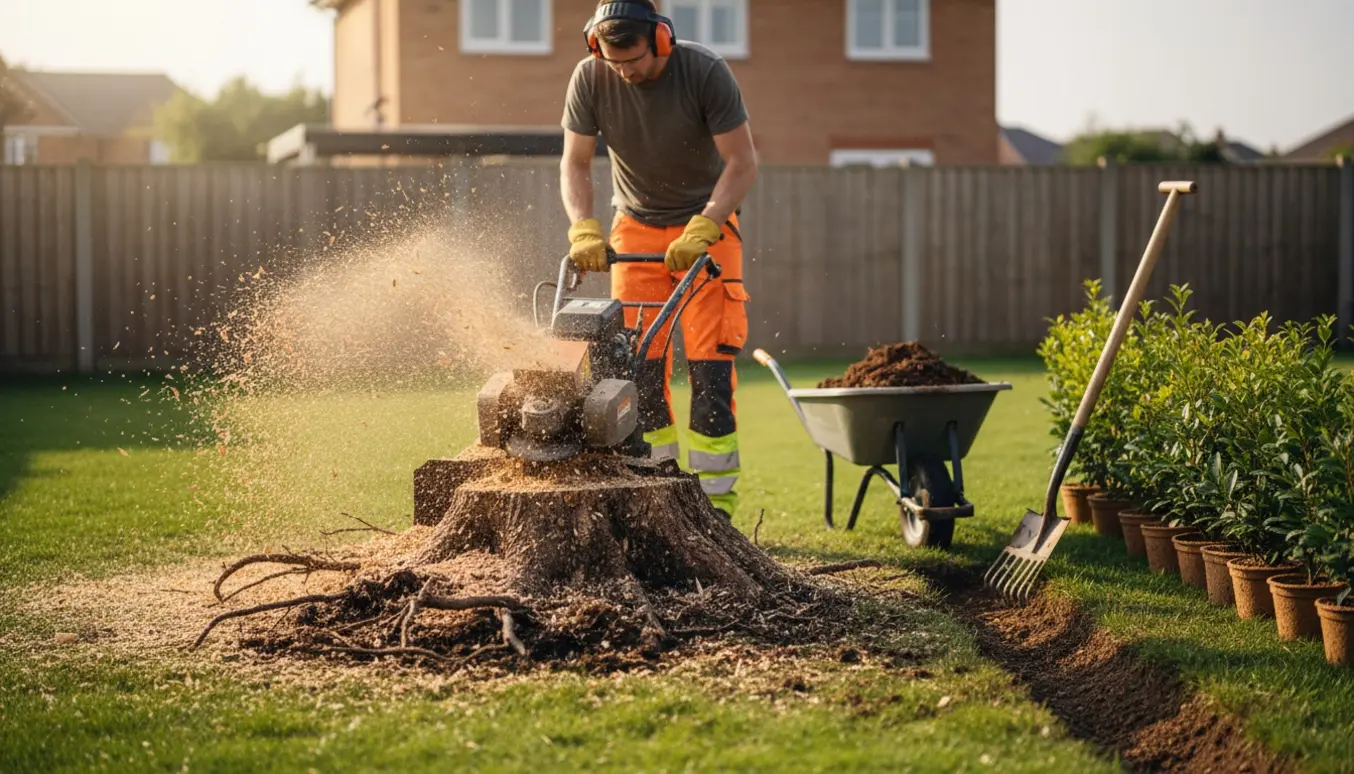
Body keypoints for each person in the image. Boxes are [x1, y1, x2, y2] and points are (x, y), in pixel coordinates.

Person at [559, 0, 758, 519]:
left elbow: (742, 162)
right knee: (636, 369)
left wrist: (707, 222)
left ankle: (717, 510)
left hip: (706, 229)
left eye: (635, 60)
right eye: (614, 61)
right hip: (635, 227)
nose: (625, 72)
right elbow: (576, 163)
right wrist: (583, 227)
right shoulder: (591, 77)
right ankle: (657, 497)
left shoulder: (705, 72)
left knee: (710, 370)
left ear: (662, 40)